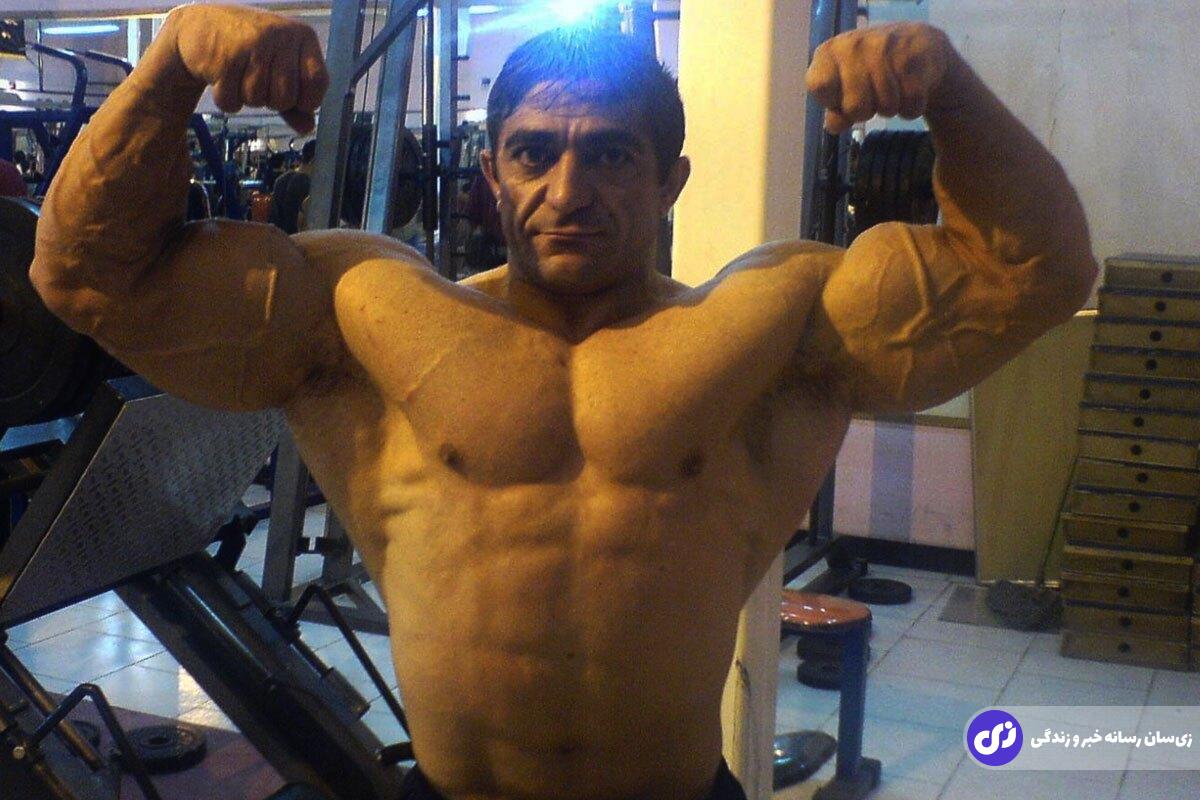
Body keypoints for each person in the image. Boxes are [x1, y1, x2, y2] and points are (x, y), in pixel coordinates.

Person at [30, 5, 1097, 800]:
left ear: (670, 179)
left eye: (611, 155)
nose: (568, 191)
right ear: (494, 174)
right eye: (534, 154)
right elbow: (83, 276)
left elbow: (1038, 274)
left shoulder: (776, 324)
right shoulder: (362, 311)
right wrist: (169, 66)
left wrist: (951, 92)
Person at [268, 138, 315, 233]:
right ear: (314, 160)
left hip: (279, 238)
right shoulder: (307, 184)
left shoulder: (281, 180)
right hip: (299, 239)